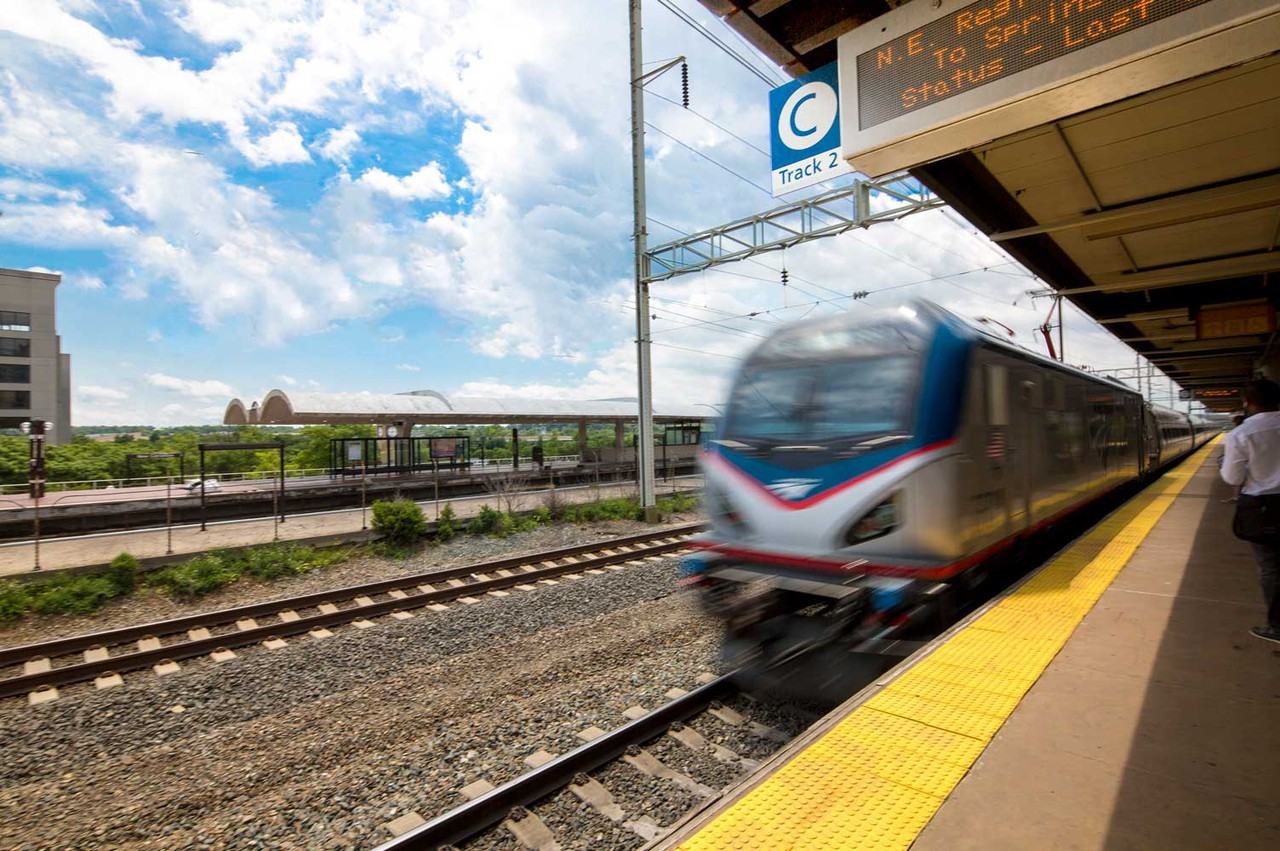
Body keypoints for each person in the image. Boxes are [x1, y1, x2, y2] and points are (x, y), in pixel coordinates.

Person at [1221, 378, 1280, 644]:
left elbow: (1232, 478)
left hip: (1264, 508)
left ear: (1247, 403)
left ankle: (1277, 626)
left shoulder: (1241, 434)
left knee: (1270, 567)